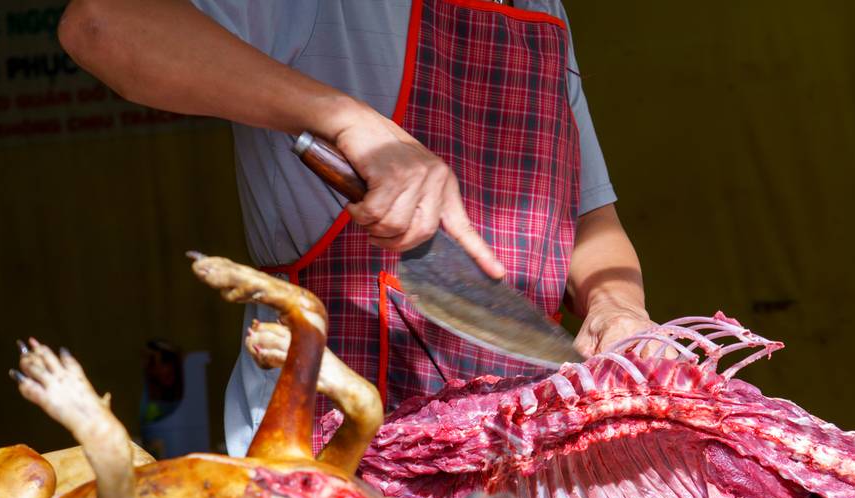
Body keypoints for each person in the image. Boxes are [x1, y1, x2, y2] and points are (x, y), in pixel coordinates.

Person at [59, 0, 653, 454]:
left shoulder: (543, 9)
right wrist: (343, 118)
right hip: (328, 442)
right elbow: (100, 24)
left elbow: (590, 217)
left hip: (527, 434)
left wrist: (615, 303)